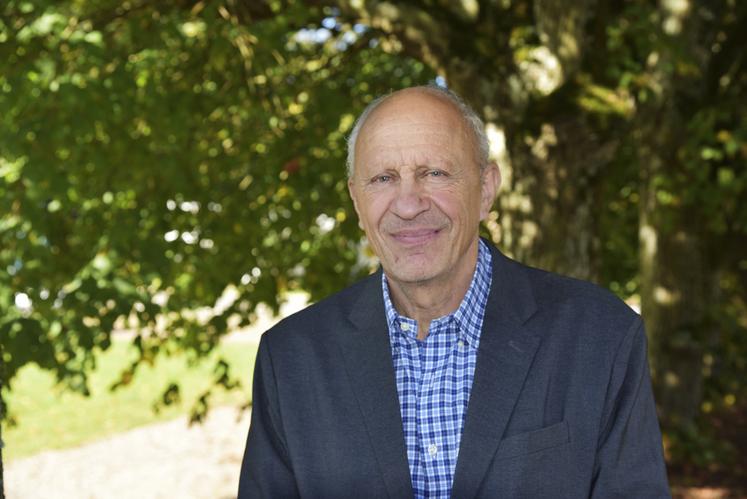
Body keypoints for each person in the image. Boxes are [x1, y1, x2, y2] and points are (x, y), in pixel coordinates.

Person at [238, 85, 670, 498]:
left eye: (435, 173)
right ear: (356, 201)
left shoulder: (600, 336)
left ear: (485, 190)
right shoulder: (291, 359)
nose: (408, 204)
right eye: (383, 178)